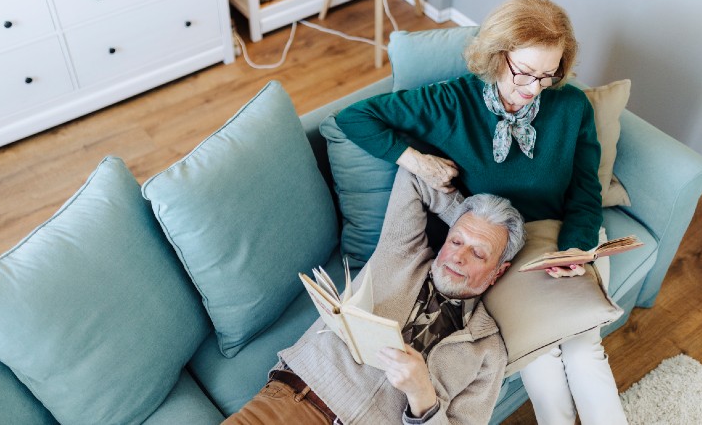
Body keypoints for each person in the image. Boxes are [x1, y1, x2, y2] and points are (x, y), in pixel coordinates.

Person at [334, 0, 627, 425]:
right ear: (496, 55)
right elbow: (354, 117)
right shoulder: (452, 103)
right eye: (523, 72)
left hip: (565, 233)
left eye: (546, 75)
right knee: (541, 356)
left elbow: (585, 193)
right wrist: (416, 161)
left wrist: (576, 249)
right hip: (505, 246)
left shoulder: (571, 106)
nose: (533, 89)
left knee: (584, 346)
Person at [223, 168, 526, 424]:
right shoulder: (400, 253)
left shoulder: (488, 352)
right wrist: (466, 217)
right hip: (293, 403)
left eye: (478, 253)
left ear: (498, 272)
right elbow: (413, 176)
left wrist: (422, 396)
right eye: (456, 241)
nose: (458, 256)